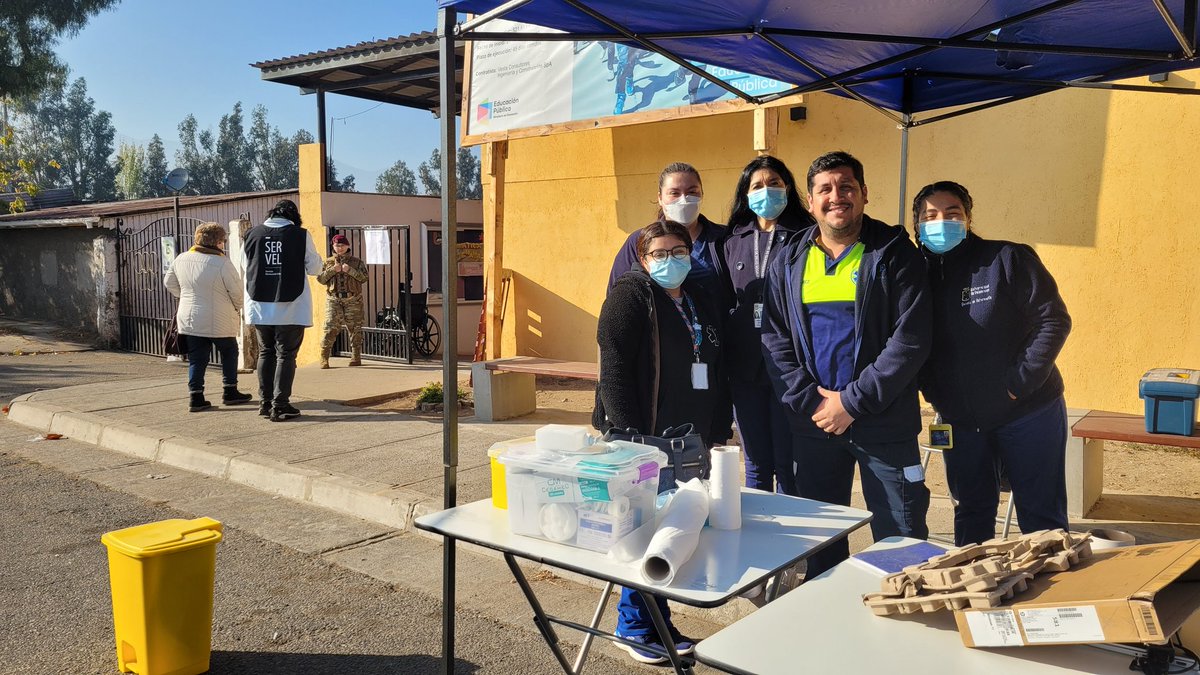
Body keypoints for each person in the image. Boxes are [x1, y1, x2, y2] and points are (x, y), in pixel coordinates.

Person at [761, 150, 932, 579]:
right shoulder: (788, 260)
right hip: (815, 424)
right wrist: (812, 403)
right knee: (822, 540)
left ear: (864, 194)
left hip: (883, 423)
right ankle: (830, 622)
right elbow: (774, 337)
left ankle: (908, 626)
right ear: (811, 199)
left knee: (902, 535)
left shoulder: (895, 254)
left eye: (847, 187)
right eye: (825, 189)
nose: (837, 196)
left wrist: (853, 402)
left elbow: (910, 340)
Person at [593, 220, 731, 665]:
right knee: (644, 528)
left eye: (679, 250)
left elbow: (715, 365)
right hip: (644, 438)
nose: (670, 260)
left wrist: (716, 428)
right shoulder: (630, 297)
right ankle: (632, 626)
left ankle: (657, 620)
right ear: (642, 257)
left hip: (687, 439)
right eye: (659, 253)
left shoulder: (696, 298)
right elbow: (612, 368)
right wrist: (633, 439)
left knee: (672, 529)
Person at [913, 181, 1072, 546]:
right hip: (961, 421)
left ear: (968, 218)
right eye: (930, 216)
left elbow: (1053, 321)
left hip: (1028, 412)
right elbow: (912, 340)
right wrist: (934, 391)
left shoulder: (1007, 259)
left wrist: (1019, 383)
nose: (941, 222)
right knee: (970, 512)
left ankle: (1051, 596)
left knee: (1041, 517)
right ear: (917, 226)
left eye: (952, 213)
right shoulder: (916, 277)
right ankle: (976, 595)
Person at [720, 155, 813, 496]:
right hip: (745, 369)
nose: (766, 191)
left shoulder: (807, 237)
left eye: (774, 183)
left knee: (788, 463)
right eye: (757, 186)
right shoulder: (732, 240)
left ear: (788, 188)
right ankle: (760, 539)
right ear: (746, 195)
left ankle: (794, 546)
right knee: (756, 462)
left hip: (789, 368)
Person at [243, 199, 322, 422]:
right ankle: (280, 405)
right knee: (286, 354)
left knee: (266, 352)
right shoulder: (300, 234)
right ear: (294, 216)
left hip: (259, 304)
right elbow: (315, 268)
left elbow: (245, 265)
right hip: (291, 305)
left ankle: (264, 402)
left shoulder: (251, 234)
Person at [607, 162, 726, 304]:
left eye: (692, 192)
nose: (683, 199)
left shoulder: (725, 238)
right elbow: (617, 298)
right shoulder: (638, 241)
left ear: (702, 195)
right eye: (674, 193)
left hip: (714, 325)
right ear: (660, 198)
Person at [164, 222, 252, 412]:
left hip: (189, 317)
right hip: (219, 317)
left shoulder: (181, 258)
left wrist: (185, 296)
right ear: (218, 242)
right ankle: (230, 391)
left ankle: (196, 396)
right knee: (229, 352)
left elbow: (169, 282)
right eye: (223, 241)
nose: (224, 244)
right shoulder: (222, 263)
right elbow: (236, 292)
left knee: (197, 358)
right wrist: (237, 309)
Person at [317, 233, 368, 369]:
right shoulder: (328, 262)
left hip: (353, 299)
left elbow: (364, 278)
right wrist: (333, 270)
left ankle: (356, 357)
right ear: (333, 246)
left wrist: (350, 270)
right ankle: (324, 358)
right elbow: (321, 279)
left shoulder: (357, 262)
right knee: (330, 328)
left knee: (355, 329)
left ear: (348, 246)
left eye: (342, 245)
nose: (340, 248)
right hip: (334, 299)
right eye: (337, 245)